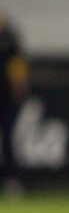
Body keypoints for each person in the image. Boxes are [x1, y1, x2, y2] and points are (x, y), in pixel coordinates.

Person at [0, 11, 28, 196]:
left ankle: (11, 182)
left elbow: (17, 65)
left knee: (8, 139)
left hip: (6, 97)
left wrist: (18, 88)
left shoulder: (9, 36)